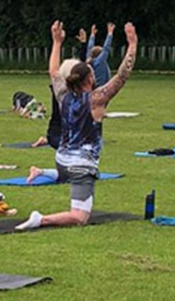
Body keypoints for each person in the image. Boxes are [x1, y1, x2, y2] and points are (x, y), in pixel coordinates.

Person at [15, 20, 137, 231]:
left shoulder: (63, 95)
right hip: (81, 165)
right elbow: (122, 76)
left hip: (62, 160)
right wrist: (132, 45)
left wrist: (57, 42)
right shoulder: (96, 99)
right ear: (90, 78)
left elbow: (53, 71)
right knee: (80, 216)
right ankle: (40, 219)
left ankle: (41, 171)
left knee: (66, 174)